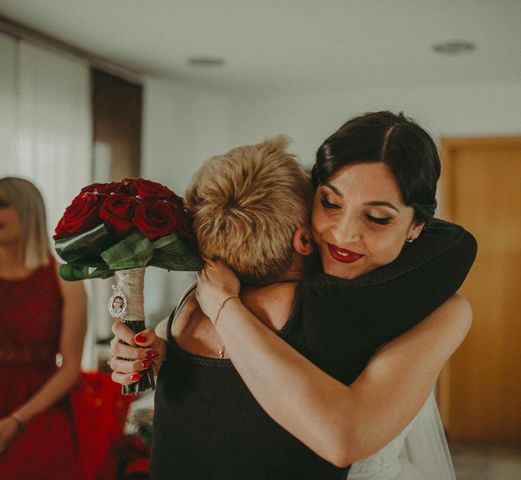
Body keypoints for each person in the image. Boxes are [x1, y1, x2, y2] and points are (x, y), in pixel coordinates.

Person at [111, 113, 476, 479]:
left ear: (417, 227)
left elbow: (344, 438)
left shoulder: (441, 309)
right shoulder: (246, 277)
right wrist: (145, 350)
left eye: (378, 218)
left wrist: (225, 308)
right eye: (331, 203)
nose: (343, 234)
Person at [0, 177, 87, 479]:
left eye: (2, 204)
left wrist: (17, 421)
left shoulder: (63, 278)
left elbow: (71, 367)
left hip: (37, 406)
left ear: (28, 211)